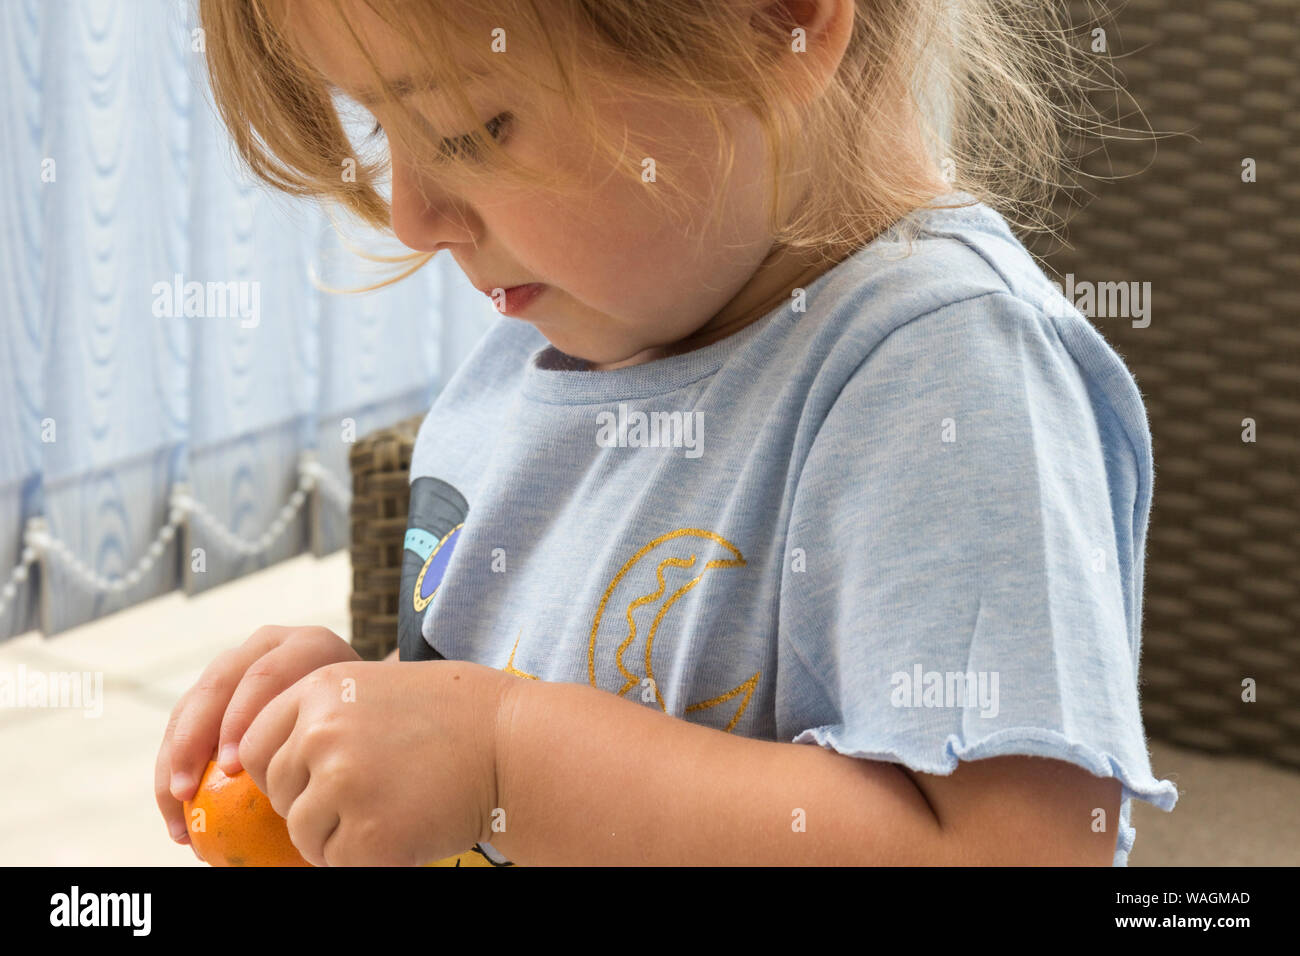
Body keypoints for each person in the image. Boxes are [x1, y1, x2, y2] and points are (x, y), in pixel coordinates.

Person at [156, 0, 1177, 866]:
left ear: (775, 25)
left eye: (473, 127)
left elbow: (1007, 855)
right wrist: (359, 713)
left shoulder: (943, 380)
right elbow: (533, 670)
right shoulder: (550, 337)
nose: (413, 215)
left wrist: (506, 758)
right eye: (384, 130)